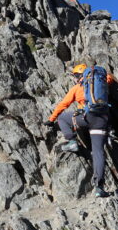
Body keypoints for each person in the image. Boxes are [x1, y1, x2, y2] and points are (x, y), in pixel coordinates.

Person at [44, 63, 113, 197]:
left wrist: (51, 119)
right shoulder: (101, 81)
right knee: (98, 152)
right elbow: (109, 78)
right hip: (102, 119)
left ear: (77, 76)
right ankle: (99, 187)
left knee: (63, 118)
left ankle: (72, 141)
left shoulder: (77, 88)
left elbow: (63, 105)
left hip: (87, 117)